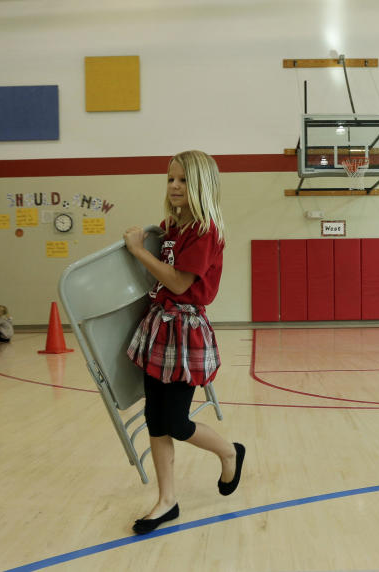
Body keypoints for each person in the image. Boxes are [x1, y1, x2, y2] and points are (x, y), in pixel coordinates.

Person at [124, 150, 244, 535]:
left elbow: (178, 283)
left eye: (183, 180)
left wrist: (139, 250)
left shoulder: (206, 230)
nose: (174, 187)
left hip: (186, 332)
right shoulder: (172, 226)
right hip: (159, 327)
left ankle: (228, 451)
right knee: (154, 420)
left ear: (201, 185)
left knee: (175, 421)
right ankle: (167, 500)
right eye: (170, 179)